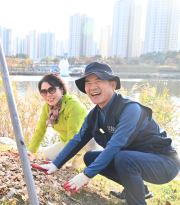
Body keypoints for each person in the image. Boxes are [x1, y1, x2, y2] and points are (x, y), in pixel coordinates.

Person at [41, 62, 180, 205]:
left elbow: (115, 146)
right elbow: (78, 140)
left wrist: (85, 176)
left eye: (98, 81)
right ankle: (139, 189)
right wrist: (55, 164)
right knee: (90, 157)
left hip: (165, 163)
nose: (92, 87)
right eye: (88, 83)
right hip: (136, 159)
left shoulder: (130, 109)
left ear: (113, 85)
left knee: (123, 157)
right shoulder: (95, 114)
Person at [23, 73, 97, 170]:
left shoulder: (73, 105)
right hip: (68, 140)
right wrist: (31, 150)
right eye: (44, 92)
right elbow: (40, 129)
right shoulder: (47, 108)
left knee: (86, 150)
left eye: (52, 90)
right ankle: (76, 158)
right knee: (48, 155)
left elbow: (73, 136)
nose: (48, 95)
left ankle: (81, 158)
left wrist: (57, 162)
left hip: (88, 141)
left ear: (61, 89)